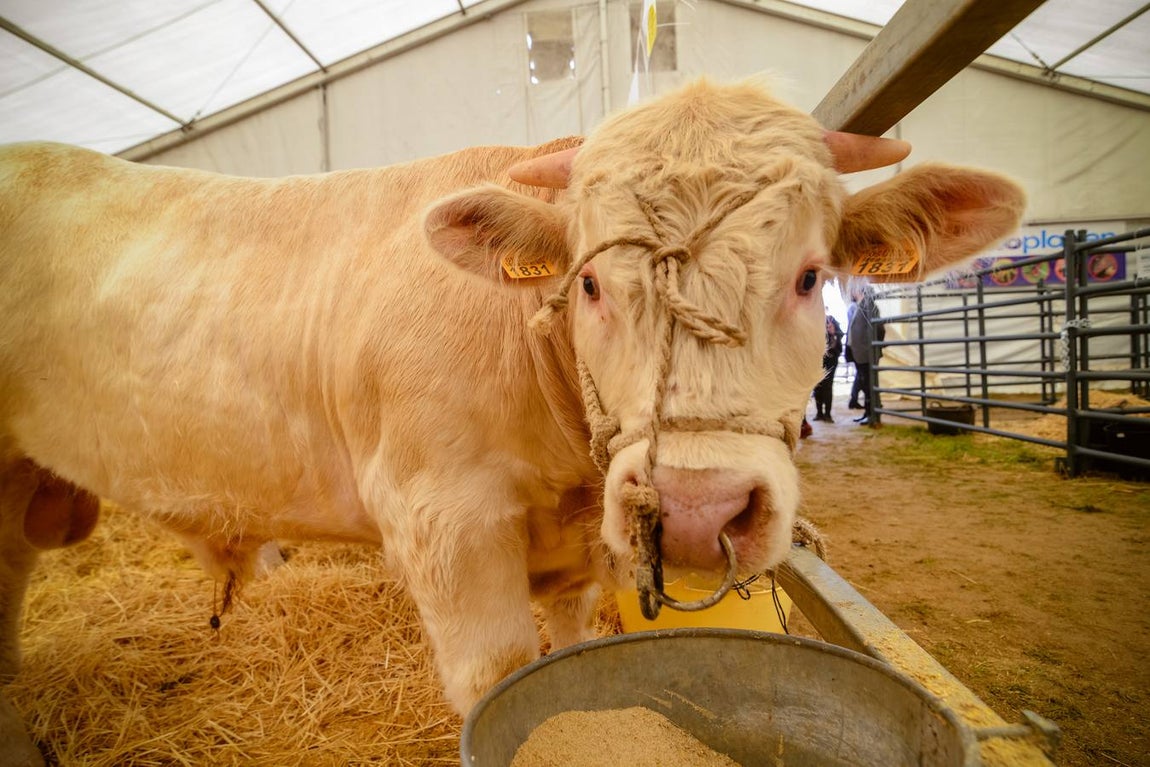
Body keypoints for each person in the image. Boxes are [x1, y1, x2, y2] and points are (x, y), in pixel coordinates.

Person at [846, 285, 884, 426]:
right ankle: (868, 413)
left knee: (869, 385)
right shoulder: (860, 305)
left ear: (859, 290)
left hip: (866, 352)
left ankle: (873, 415)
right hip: (860, 353)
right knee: (866, 384)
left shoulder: (868, 305)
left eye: (854, 289)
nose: (852, 291)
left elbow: (875, 328)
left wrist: (872, 348)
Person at [812, 314, 843, 422]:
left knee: (828, 387)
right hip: (818, 361)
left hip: (831, 361)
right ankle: (819, 413)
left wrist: (833, 333)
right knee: (818, 387)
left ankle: (827, 414)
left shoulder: (833, 322)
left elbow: (839, 339)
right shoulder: (816, 323)